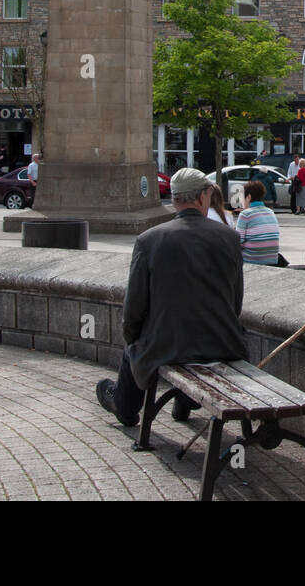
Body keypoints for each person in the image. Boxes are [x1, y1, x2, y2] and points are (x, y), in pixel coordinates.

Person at [95, 168, 248, 428]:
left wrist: (132, 339)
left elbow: (134, 307)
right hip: (222, 344)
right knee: (160, 342)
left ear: (176, 200)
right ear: (202, 197)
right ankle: (184, 402)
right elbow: (235, 302)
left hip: (167, 346)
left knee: (134, 346)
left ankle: (125, 407)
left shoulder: (149, 240)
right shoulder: (229, 238)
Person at [236, 179, 281, 265]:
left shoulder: (245, 214)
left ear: (248, 197)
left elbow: (238, 242)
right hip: (273, 260)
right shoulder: (270, 212)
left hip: (251, 260)